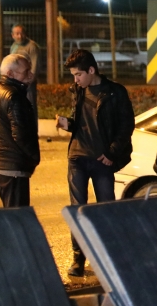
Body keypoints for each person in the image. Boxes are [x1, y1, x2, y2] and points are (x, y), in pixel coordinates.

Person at [56, 49, 135, 276]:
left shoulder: (115, 92)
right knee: (77, 209)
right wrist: (66, 123)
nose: (75, 79)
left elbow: (125, 126)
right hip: (77, 158)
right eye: (73, 75)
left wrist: (111, 152)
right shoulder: (77, 91)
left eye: (78, 74)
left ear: (92, 70)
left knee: (105, 210)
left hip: (102, 160)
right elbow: (79, 122)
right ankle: (78, 259)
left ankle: (107, 257)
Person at [0, 54, 40, 207]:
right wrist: (34, 157)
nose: (31, 74)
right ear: (10, 74)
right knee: (18, 218)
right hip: (14, 166)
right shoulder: (14, 96)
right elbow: (21, 134)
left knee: (11, 214)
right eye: (26, 71)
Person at [9, 24, 40, 113]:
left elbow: (35, 67)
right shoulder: (14, 46)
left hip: (27, 84)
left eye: (21, 33)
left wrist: (28, 82)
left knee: (30, 108)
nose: (20, 36)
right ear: (12, 35)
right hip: (16, 83)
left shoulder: (32, 46)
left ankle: (32, 127)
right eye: (17, 34)